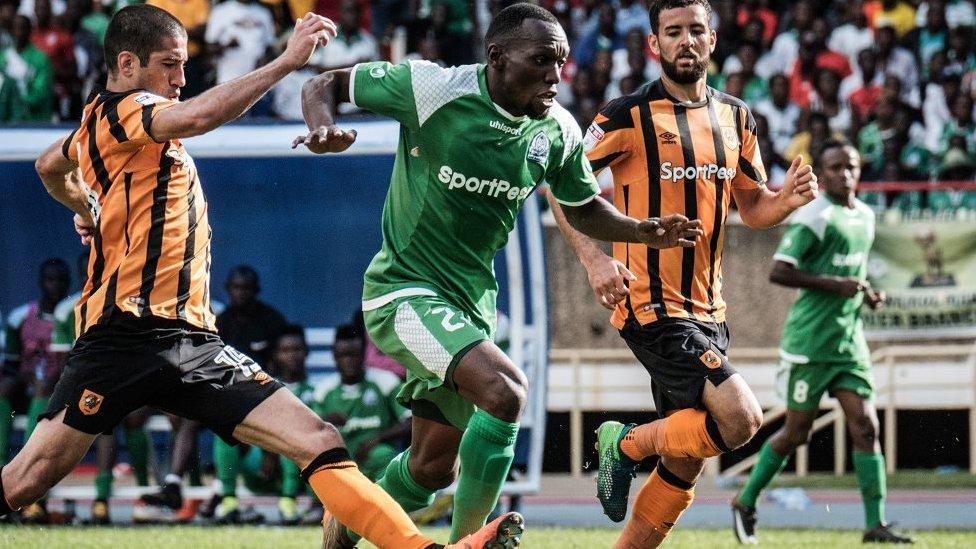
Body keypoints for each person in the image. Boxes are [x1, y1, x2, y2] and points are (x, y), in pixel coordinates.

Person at [12, 6, 520, 548]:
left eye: (185, 66)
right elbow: (198, 119)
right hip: (122, 336)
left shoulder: (99, 125)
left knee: (319, 439)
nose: (181, 80)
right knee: (28, 481)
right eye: (170, 66)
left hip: (192, 343)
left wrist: (88, 209)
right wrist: (287, 62)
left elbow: (50, 164)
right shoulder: (128, 109)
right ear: (128, 63)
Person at [293, 3, 702, 546]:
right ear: (497, 58)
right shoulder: (432, 88)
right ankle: (469, 540)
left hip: (471, 307)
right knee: (506, 391)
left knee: (430, 469)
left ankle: (343, 522)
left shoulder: (556, 129)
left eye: (560, 63)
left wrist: (642, 231)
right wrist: (322, 127)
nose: (555, 75)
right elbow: (324, 84)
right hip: (402, 292)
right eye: (541, 61)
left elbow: (581, 206)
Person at [546, 1, 819, 547]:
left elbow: (753, 208)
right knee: (740, 419)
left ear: (713, 39)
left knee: (685, 459)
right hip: (649, 304)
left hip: (709, 309)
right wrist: (597, 260)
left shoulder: (736, 116)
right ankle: (622, 444)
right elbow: (559, 180)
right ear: (655, 45)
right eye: (673, 32)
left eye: (696, 30)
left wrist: (783, 202)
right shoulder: (627, 114)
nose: (686, 41)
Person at [732, 140, 914, 545]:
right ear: (822, 172)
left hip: (848, 342)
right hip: (809, 344)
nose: (844, 174)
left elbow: (851, 273)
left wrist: (865, 293)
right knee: (797, 434)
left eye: (850, 166)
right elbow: (779, 272)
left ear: (859, 170)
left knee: (866, 427)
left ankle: (875, 524)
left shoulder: (865, 216)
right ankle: (745, 501)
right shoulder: (814, 216)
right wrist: (836, 286)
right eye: (834, 167)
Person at [49, 249, 152, 525]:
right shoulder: (66, 309)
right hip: (89, 386)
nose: (94, 274)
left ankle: (145, 494)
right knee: (100, 417)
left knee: (134, 416)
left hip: (129, 384)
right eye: (89, 269)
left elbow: (140, 356)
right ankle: (100, 499)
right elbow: (64, 363)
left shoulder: (129, 302)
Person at [211, 325, 319, 525]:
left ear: (306, 352)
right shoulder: (263, 387)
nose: (292, 356)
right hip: (262, 467)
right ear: (275, 355)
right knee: (225, 433)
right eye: (286, 351)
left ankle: (289, 504)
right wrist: (268, 449)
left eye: (297, 350)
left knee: (294, 435)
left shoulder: (318, 390)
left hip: (301, 473)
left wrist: (275, 449)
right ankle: (229, 503)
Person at [0, 257, 70, 522]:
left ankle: (31, 495)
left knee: (46, 388)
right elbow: (11, 366)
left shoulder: (73, 313)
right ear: (41, 282)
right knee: (2, 388)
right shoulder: (21, 317)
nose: (55, 285)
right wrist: (22, 378)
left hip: (56, 392)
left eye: (61, 280)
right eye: (50, 279)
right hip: (27, 386)